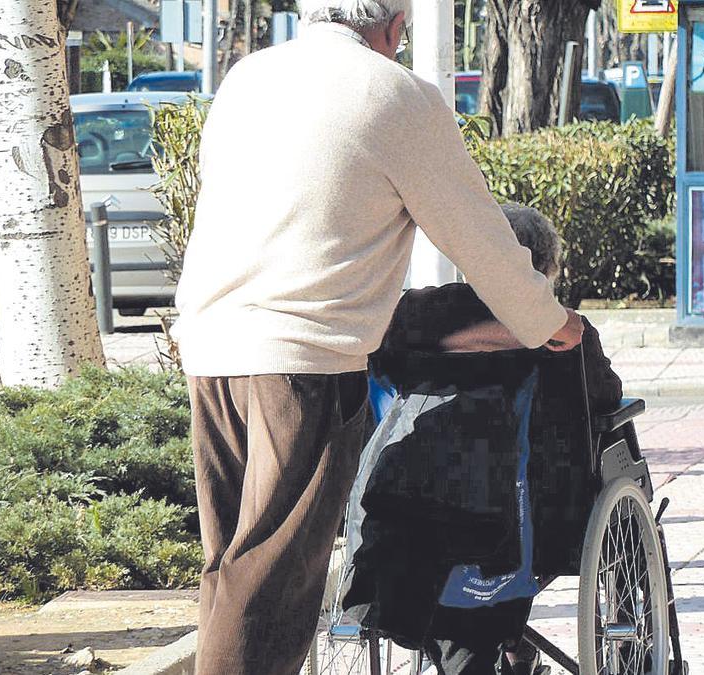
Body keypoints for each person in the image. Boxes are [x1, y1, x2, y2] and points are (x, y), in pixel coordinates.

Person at [171, 1, 586, 672]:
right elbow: (479, 234)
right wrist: (548, 321)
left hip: (211, 342)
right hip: (302, 357)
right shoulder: (396, 94)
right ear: (394, 27)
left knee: (229, 566)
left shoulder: (247, 77)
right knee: (269, 582)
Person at [356, 203, 622, 675]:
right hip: (522, 517)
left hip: (400, 502)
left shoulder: (418, 317)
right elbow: (605, 399)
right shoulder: (562, 330)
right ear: (542, 269)